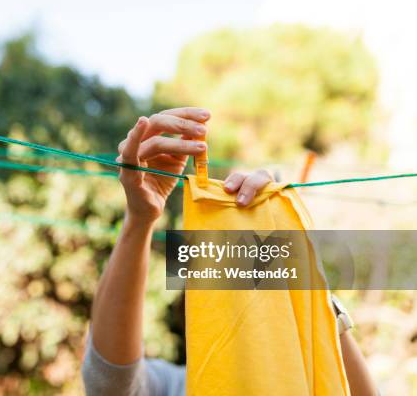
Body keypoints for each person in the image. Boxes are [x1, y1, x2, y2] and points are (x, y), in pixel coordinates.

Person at [81, 108, 379, 396]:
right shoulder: (171, 386)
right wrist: (140, 217)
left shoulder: (315, 378)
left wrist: (304, 278)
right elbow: (109, 385)